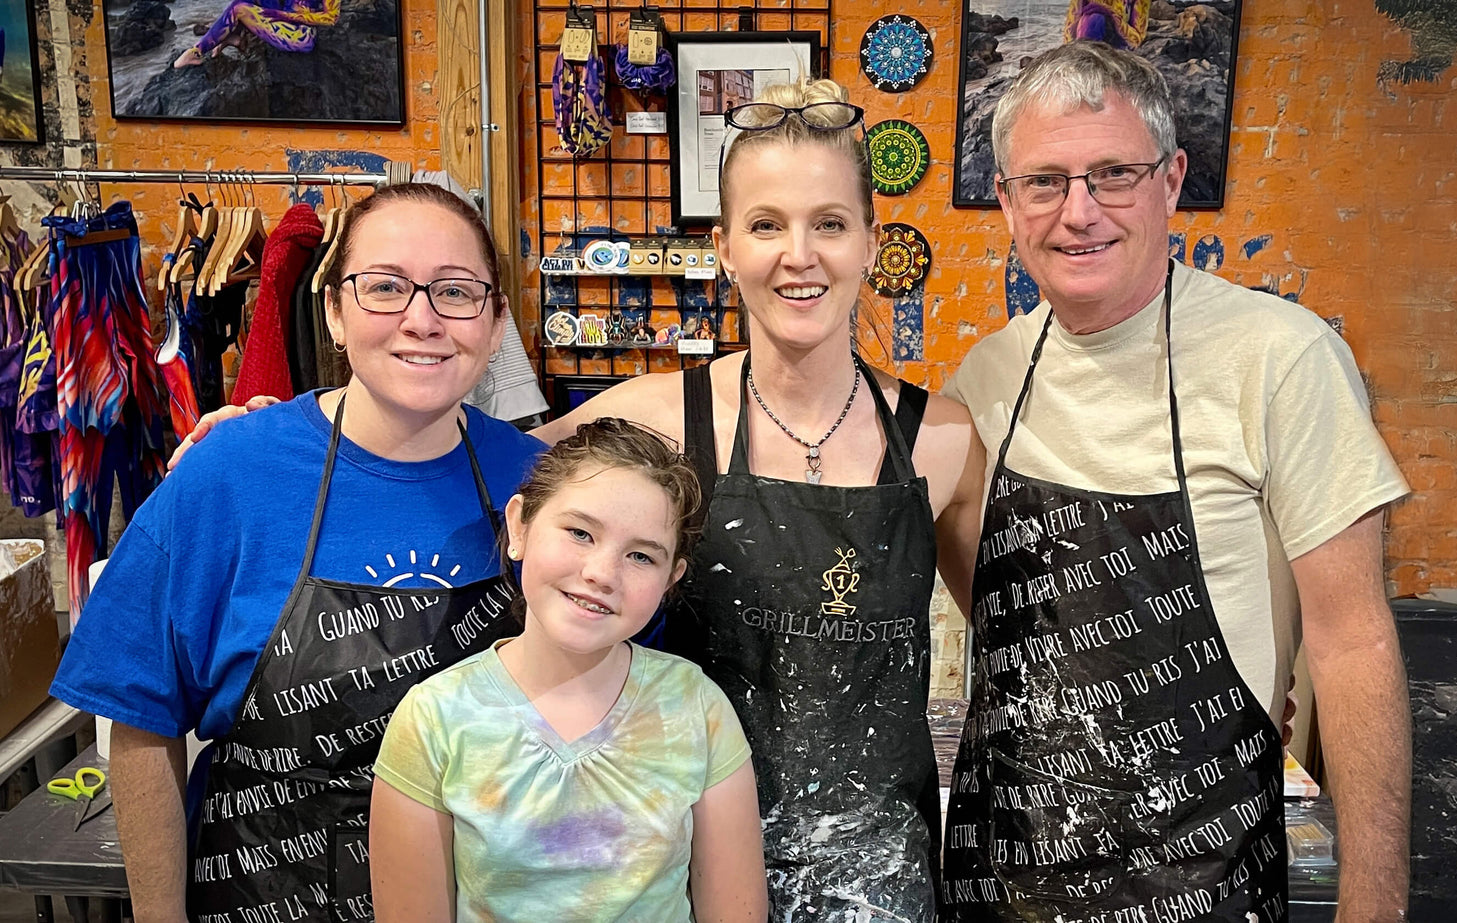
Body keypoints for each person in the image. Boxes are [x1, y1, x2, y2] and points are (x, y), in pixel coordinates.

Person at [175, 77, 988, 920]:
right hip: (666, 864)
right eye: (766, 224)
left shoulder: (946, 441)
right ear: (724, 247)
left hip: (878, 883)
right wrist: (295, 435)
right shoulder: (652, 416)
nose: (799, 253)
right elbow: (453, 458)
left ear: (870, 239)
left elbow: (1007, 647)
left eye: (829, 223)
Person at [939, 41, 1411, 921]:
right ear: (1005, 201)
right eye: (1045, 181)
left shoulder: (1280, 357)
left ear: (1171, 179)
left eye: (1113, 173)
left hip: (1205, 884)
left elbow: (1355, 644)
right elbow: (998, 612)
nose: (1079, 212)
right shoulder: (985, 378)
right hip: (1003, 882)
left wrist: (1375, 905)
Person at [50, 182, 547, 923]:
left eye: (455, 291)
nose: (422, 319)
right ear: (334, 313)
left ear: (495, 321)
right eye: (384, 287)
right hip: (265, 895)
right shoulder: (228, 475)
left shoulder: (539, 484)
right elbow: (141, 717)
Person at [369, 418, 766, 922]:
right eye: (580, 532)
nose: (602, 573)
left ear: (672, 579)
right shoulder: (435, 719)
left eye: (641, 556)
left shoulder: (697, 708)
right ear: (520, 527)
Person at [174, 0, 339, 67]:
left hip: (300, 35)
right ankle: (232, 36)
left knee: (238, 9)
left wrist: (285, 16)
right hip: (281, 21)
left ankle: (196, 51)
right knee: (241, 4)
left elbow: (331, 17)